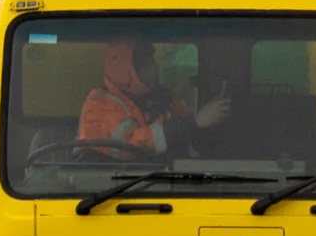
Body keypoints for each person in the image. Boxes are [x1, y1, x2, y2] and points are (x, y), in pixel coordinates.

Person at [77, 38, 229, 154]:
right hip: (106, 187)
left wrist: (211, 118)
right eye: (144, 65)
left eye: (153, 62)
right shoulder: (99, 106)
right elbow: (132, 145)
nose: (154, 69)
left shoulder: (164, 98)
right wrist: (195, 122)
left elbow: (190, 134)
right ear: (124, 70)